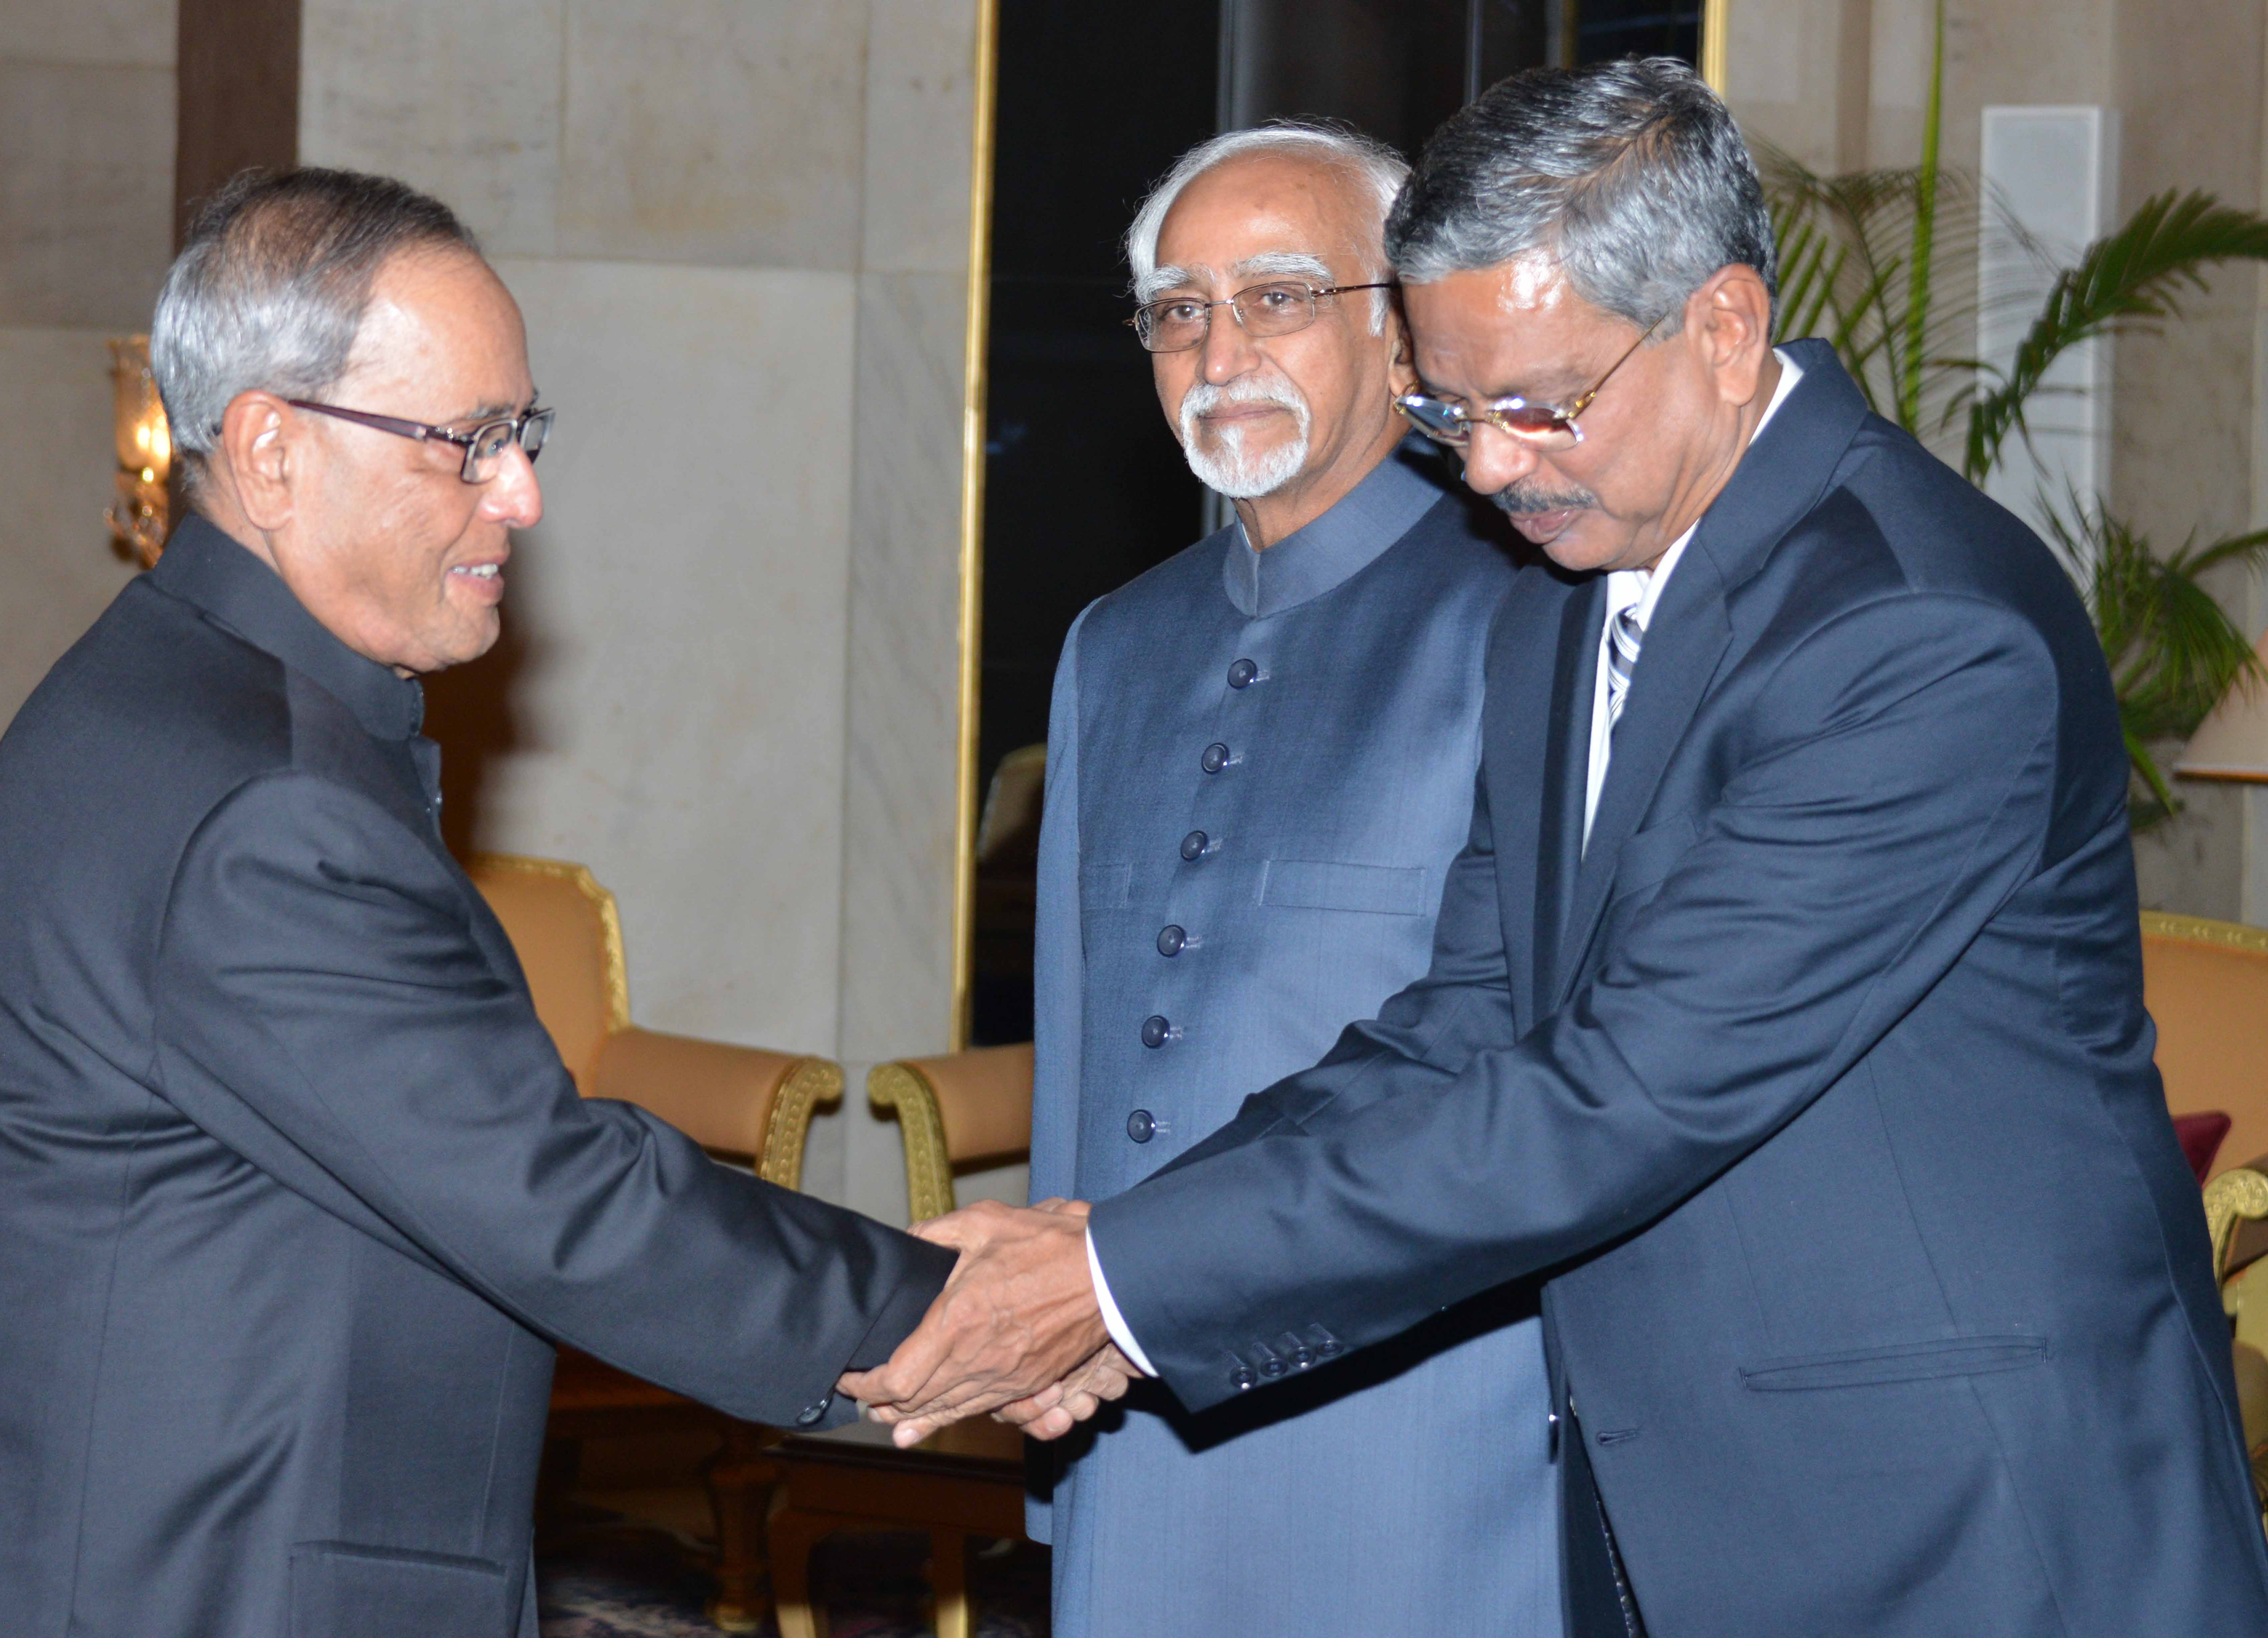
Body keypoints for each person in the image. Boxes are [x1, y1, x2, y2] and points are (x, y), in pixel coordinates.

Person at [845, 59, 2268, 1637]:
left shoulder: (1911, 632)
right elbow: (1467, 1016)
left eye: (1540, 404)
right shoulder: (1576, 584)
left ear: (1724, 330)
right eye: (1454, 412)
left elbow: (1622, 1089)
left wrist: (1115, 1283)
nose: (1496, 469)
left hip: (1966, 1516)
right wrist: (1123, 1258)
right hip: (1684, 1496)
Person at [0, 168, 954, 1638]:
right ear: (271, 451)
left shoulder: (178, 697)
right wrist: (944, 1307)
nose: (525, 494)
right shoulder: (262, 800)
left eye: (525, 432)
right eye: (469, 443)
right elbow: (554, 1196)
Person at [1024, 123, 1553, 1638]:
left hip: (1428, 1421)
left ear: (1403, 333)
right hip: (1136, 1414)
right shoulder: (1113, 641)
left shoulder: (1529, 612)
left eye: (1277, 296)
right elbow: (1080, 1050)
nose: (1219, 347)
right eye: (1179, 310)